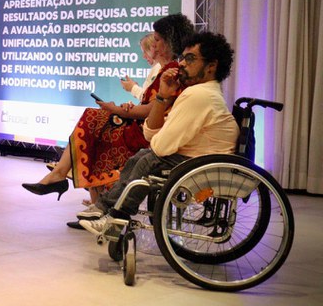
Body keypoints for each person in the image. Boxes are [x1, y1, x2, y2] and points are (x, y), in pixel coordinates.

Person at [21, 13, 195, 209]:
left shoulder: (171, 71)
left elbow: (152, 109)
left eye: (156, 40)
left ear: (168, 43)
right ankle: (70, 183)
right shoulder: (166, 70)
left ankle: (66, 179)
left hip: (147, 132)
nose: (152, 45)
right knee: (95, 120)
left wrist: (121, 110)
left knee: (94, 121)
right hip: (144, 126)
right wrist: (125, 109)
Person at [80, 31, 238, 236]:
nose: (181, 64)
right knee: (142, 157)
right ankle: (105, 209)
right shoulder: (202, 92)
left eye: (190, 59)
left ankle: (114, 216)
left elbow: (160, 145)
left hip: (202, 164)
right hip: (198, 159)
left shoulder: (198, 95)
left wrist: (156, 139)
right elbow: (151, 135)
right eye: (182, 58)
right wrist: (162, 96)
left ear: (211, 66)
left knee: (148, 160)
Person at [120, 33, 159, 101]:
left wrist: (132, 88)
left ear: (153, 49)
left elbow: (150, 99)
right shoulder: (155, 68)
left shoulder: (158, 68)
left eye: (145, 52)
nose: (144, 56)